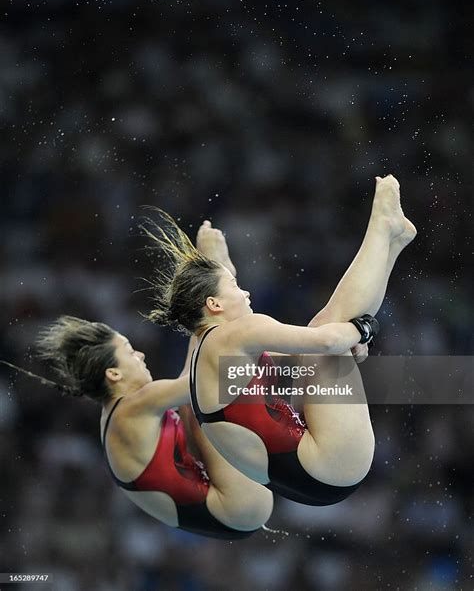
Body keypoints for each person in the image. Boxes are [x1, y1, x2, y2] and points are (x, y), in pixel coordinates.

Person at [143, 175, 417, 506]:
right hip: (329, 462)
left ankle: (391, 242)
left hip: (317, 483)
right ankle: (383, 226)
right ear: (213, 305)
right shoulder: (236, 334)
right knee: (325, 328)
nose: (245, 291)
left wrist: (349, 338)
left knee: (322, 338)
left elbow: (319, 348)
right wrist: (363, 330)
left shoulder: (208, 356)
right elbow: (328, 340)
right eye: (233, 284)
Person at [2, 222, 273, 539]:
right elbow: (210, 372)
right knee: (220, 377)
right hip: (238, 505)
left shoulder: (120, 416)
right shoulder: (135, 405)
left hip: (234, 513)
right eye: (130, 351)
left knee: (205, 392)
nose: (142, 354)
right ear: (113, 374)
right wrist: (221, 280)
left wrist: (211, 297)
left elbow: (195, 366)